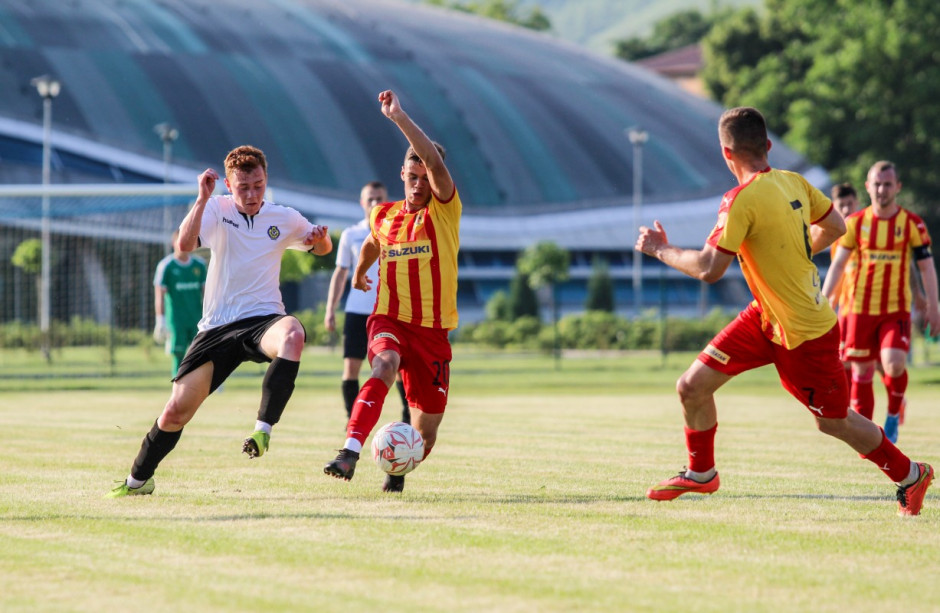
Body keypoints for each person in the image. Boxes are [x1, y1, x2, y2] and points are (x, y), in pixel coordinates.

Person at [636, 107, 933, 516]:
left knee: (834, 422)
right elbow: (836, 227)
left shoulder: (738, 200)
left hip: (806, 333)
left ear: (726, 153)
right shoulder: (795, 182)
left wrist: (659, 249)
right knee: (691, 386)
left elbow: (709, 269)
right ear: (768, 146)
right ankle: (701, 473)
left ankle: (911, 475)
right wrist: (794, 250)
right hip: (764, 317)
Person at [106, 145, 332, 497]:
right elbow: (184, 242)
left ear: (265, 180)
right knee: (174, 413)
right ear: (229, 184)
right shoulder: (215, 207)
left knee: (292, 334)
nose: (253, 194)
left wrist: (319, 239)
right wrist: (201, 198)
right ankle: (137, 482)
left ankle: (263, 430)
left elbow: (321, 248)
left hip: (264, 320)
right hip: (217, 327)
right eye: (244, 187)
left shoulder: (283, 217)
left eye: (258, 185)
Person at [323, 89, 461, 493]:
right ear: (402, 175)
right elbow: (371, 242)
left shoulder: (444, 209)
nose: (419, 185)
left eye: (425, 178)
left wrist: (399, 117)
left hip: (433, 333)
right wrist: (360, 272)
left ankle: (395, 471)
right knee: (383, 365)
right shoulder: (382, 214)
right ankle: (349, 451)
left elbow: (433, 161)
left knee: (426, 433)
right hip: (390, 319)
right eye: (412, 176)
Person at [822, 161, 940, 444]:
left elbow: (925, 268)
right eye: (876, 183)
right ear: (867, 186)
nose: (881, 189)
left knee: (894, 363)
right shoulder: (855, 223)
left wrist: (933, 306)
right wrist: (825, 303)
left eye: (887, 184)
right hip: (859, 309)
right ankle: (865, 439)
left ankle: (893, 412)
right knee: (861, 370)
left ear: (897, 187)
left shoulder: (912, 224)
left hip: (894, 309)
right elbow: (838, 266)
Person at [324, 181, 410, 424]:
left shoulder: (398, 231)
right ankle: (354, 422)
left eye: (379, 198)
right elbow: (341, 273)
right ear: (363, 203)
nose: (375, 203)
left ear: (387, 200)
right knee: (351, 368)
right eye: (370, 199)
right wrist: (330, 309)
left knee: (400, 370)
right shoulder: (351, 234)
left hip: (390, 311)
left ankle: (407, 422)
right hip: (357, 311)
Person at [153, 230, 207, 376]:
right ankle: (177, 385)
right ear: (174, 243)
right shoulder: (166, 266)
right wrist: (160, 320)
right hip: (176, 320)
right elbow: (159, 295)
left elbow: (207, 293)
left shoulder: (199, 265)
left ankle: (207, 381)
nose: (184, 244)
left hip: (197, 318)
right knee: (178, 354)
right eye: (180, 240)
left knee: (202, 352)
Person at [827, 183, 860, 375]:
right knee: (844, 359)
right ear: (834, 206)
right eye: (842, 205)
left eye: (850, 203)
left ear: (857, 202)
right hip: (846, 309)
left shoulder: (866, 233)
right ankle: (847, 405)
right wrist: (831, 303)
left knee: (879, 362)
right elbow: (838, 273)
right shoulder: (837, 239)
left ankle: (896, 400)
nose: (846, 209)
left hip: (867, 307)